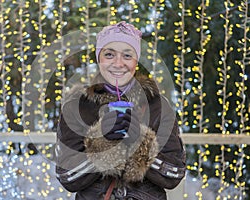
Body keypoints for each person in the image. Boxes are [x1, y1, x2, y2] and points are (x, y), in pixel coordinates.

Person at [55, 21, 186, 200]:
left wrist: (139, 144)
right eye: (109, 54)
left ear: (136, 60)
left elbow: (174, 174)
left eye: (127, 55)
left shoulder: (158, 106)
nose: (118, 63)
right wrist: (102, 143)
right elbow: (67, 177)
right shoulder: (76, 107)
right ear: (99, 58)